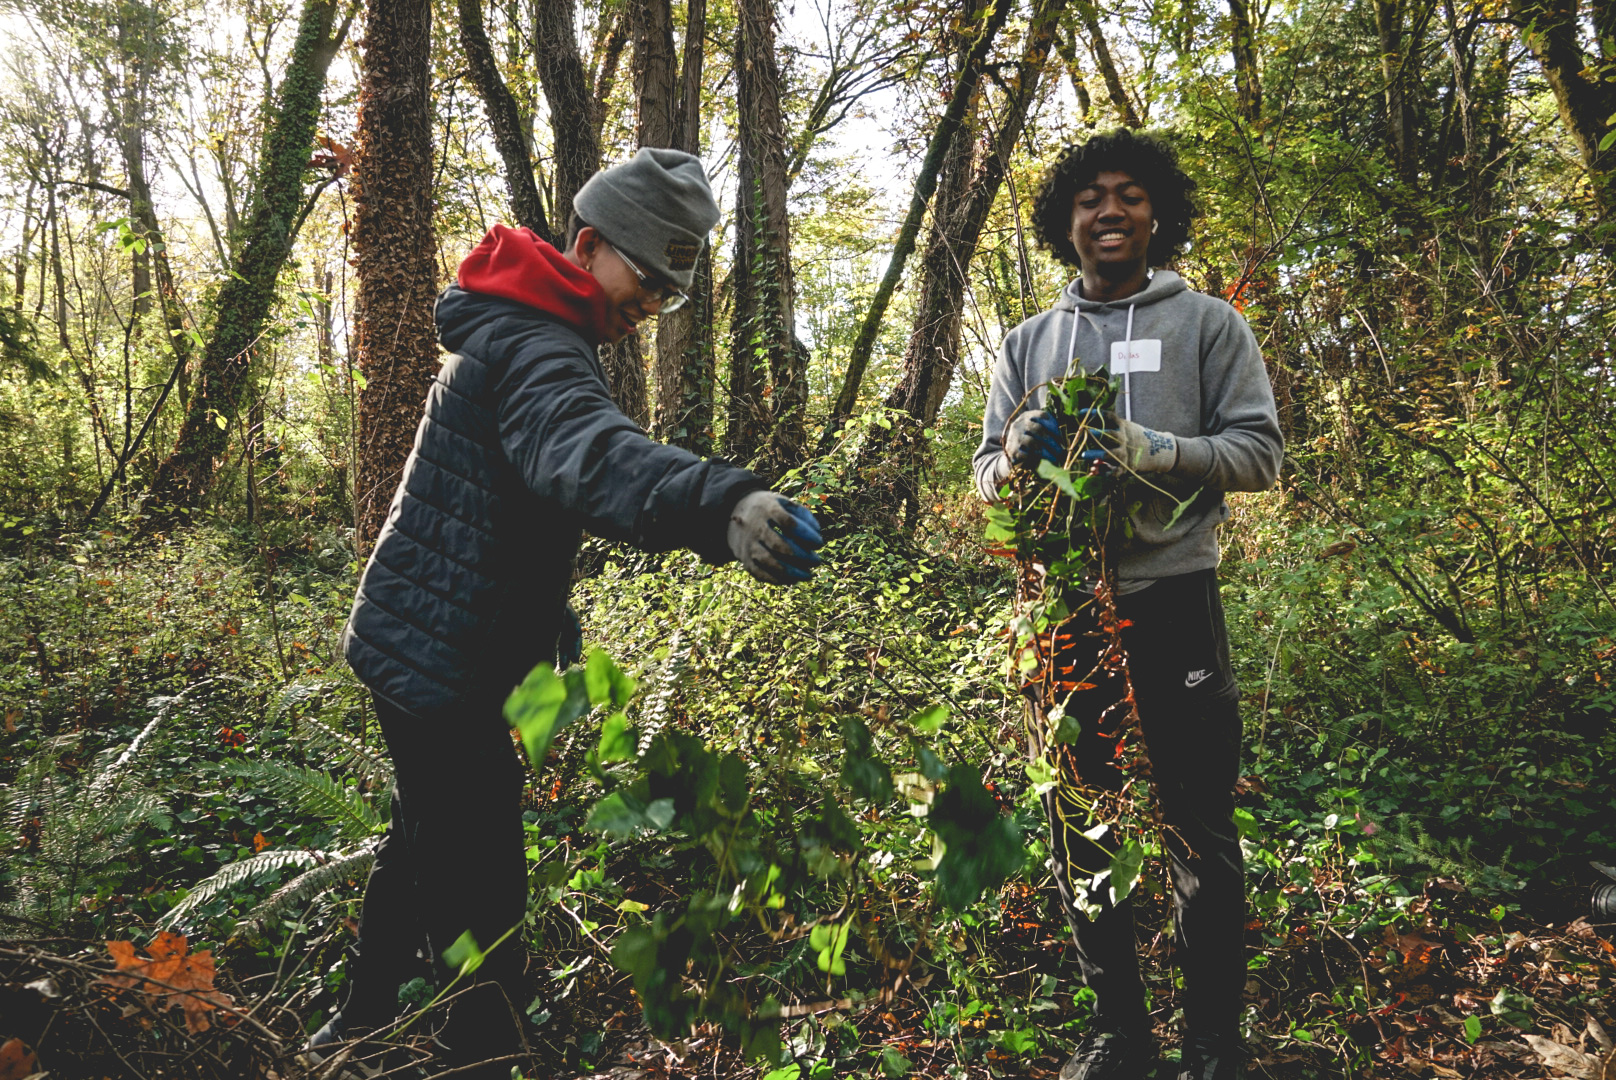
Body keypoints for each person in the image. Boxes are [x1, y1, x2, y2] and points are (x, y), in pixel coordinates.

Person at [312, 148, 824, 1077]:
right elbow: (589, 453)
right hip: (437, 659)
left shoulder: (531, 325)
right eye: (644, 277)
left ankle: (357, 1020)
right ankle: (480, 1054)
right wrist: (721, 502)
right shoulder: (538, 345)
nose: (651, 303)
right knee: (480, 876)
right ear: (588, 246)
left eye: (669, 291)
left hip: (428, 642)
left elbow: (524, 501)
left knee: (422, 834)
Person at [972, 130, 1283, 1080]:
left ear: (1157, 215)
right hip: (1063, 610)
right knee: (1080, 820)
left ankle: (1213, 1044)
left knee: (1198, 821)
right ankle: (1120, 1036)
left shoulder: (1209, 326)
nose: (1109, 210)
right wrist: (1013, 452)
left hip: (1175, 600)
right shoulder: (1028, 342)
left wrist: (1155, 449)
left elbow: (1260, 454)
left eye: (1130, 195)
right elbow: (984, 478)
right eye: (1090, 198)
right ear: (1065, 222)